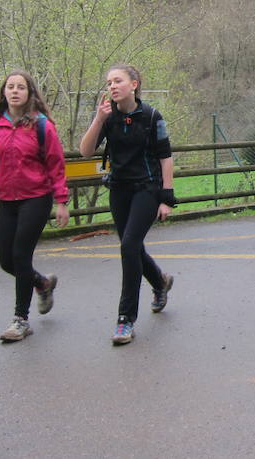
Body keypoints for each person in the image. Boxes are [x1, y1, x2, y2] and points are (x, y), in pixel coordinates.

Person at [0, 70, 70, 342]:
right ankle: (42, 283)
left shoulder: (41, 127)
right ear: (4, 93)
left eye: (20, 87)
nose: (14, 91)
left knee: (21, 256)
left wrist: (61, 201)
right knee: (6, 260)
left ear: (29, 93)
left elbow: (56, 165)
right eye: (10, 87)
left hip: (36, 198)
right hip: (8, 201)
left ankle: (20, 320)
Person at [79, 64, 176, 346]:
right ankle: (160, 282)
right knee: (131, 247)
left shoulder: (151, 116)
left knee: (128, 246)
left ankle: (125, 320)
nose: (112, 86)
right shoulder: (107, 117)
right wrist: (98, 120)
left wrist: (166, 197)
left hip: (146, 189)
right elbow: (85, 151)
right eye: (109, 82)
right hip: (119, 190)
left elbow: (165, 157)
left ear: (134, 84)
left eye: (118, 81)